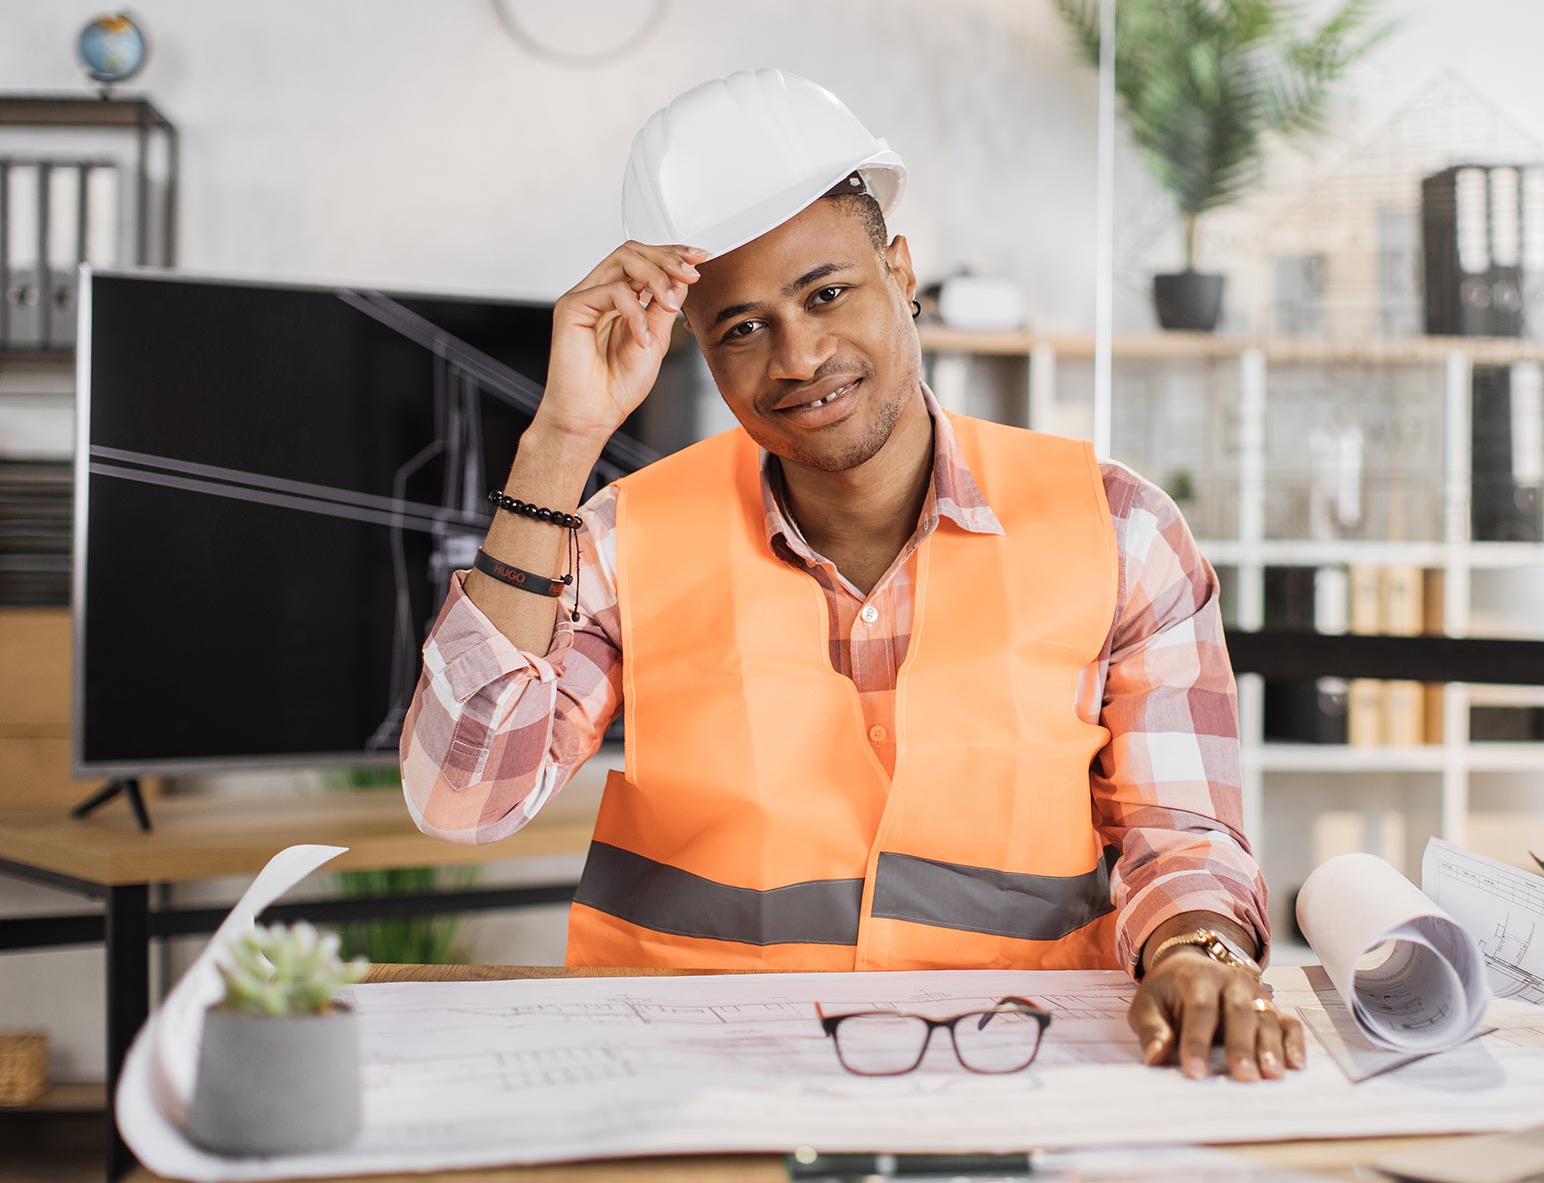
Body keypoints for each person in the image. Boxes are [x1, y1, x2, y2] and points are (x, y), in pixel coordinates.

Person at [398, 68, 1303, 1083]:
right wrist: (561, 440)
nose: (799, 355)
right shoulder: (623, 536)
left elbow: (1178, 832)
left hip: (1013, 1068)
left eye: (827, 293)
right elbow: (461, 798)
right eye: (741, 326)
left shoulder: (1120, 528)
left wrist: (1198, 951)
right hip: (693, 1085)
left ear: (901, 272)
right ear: (692, 342)